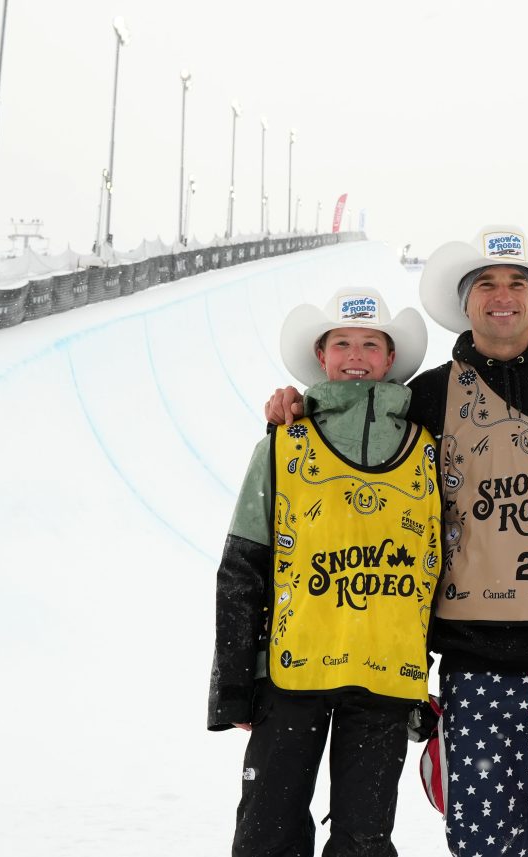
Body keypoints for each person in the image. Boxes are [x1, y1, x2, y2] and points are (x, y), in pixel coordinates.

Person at [267, 225, 528, 857]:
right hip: (480, 668)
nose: (502, 296)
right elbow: (360, 448)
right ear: (465, 302)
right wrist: (301, 407)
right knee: (487, 846)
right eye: (486, 284)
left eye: (516, 283)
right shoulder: (428, 397)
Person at [209, 287, 442, 857]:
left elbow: (440, 568)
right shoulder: (283, 446)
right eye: (342, 343)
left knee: (364, 840)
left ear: (391, 358)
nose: (355, 355)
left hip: (386, 677)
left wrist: (430, 672)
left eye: (370, 344)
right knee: (267, 832)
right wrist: (235, 686)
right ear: (321, 355)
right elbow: (243, 567)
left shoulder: (429, 450)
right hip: (294, 673)